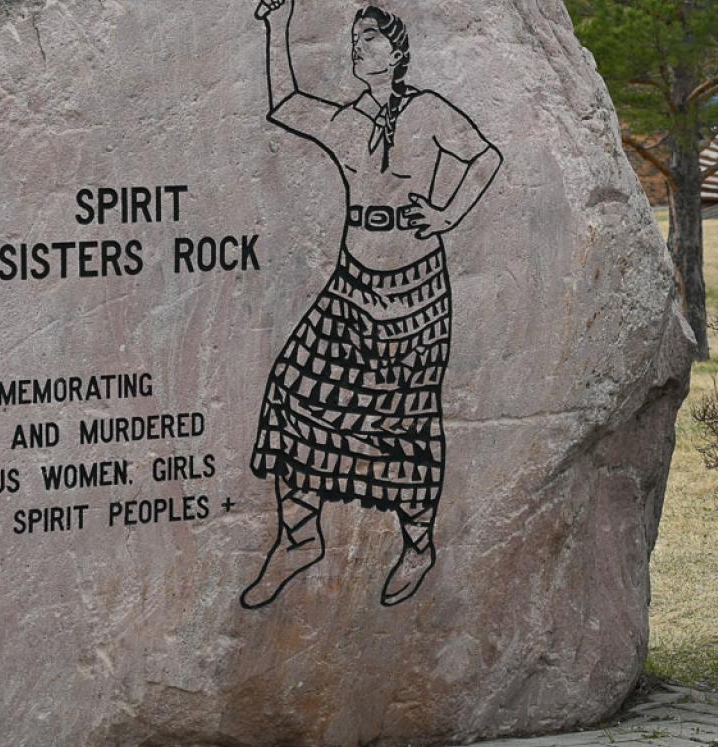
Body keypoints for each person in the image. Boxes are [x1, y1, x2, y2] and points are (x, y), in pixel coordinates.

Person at [240, 0, 503, 609]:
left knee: (405, 422)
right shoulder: (350, 120)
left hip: (416, 292)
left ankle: (417, 545)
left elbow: (485, 157)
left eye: (370, 40)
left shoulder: (429, 109)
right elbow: (285, 104)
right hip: (352, 284)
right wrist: (276, 27)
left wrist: (446, 216)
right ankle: (300, 538)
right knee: (294, 388)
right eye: (355, 41)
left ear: (397, 51)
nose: (359, 49)